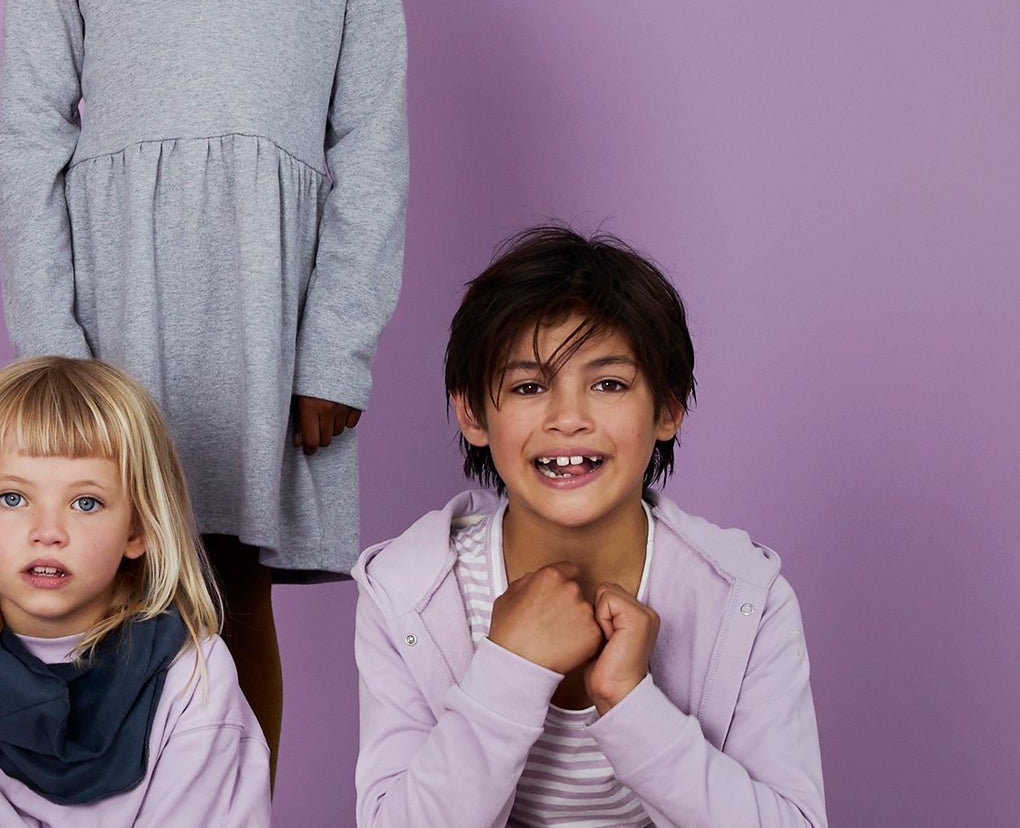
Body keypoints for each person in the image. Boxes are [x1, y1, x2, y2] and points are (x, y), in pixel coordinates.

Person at [0, 0, 408, 762]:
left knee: (228, 599)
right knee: (102, 604)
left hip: (266, 315)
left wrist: (332, 341)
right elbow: (26, 148)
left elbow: (369, 137)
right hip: (117, 314)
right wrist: (54, 359)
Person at [352, 226, 827, 826]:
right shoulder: (408, 594)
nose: (568, 419)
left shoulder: (746, 600)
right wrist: (509, 668)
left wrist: (630, 704)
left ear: (669, 407)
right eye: (528, 386)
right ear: (472, 413)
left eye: (608, 384)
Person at [0, 356, 268, 826]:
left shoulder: (194, 678)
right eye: (13, 498)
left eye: (86, 503)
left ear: (137, 529)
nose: (47, 531)